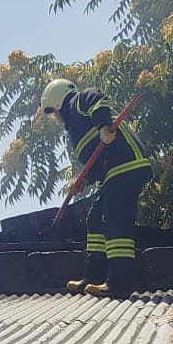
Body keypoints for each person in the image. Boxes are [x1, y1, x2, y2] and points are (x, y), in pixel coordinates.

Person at [40, 77, 151, 297]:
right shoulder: (76, 128)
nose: (56, 117)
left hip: (128, 164)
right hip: (113, 172)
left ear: (59, 101)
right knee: (95, 219)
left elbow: (98, 99)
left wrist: (103, 127)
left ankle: (120, 283)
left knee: (115, 219)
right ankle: (94, 276)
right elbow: (96, 160)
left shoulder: (80, 101)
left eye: (54, 111)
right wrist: (84, 180)